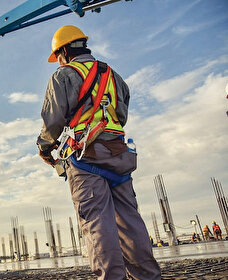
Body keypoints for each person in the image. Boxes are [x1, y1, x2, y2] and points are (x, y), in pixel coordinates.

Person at [37, 25, 161, 280]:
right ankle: (148, 276)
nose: (57, 62)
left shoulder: (63, 76)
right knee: (130, 222)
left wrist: (45, 147)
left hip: (86, 158)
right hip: (119, 155)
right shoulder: (114, 76)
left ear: (63, 51)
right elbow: (121, 115)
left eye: (57, 57)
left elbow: (53, 120)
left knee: (97, 225)